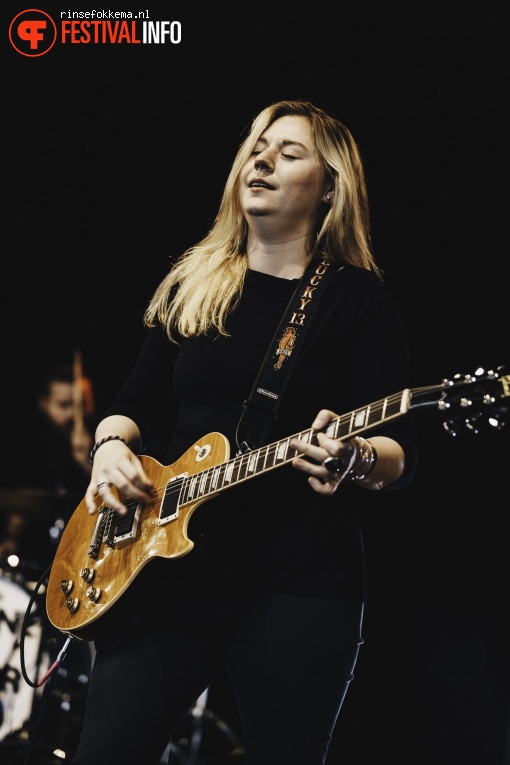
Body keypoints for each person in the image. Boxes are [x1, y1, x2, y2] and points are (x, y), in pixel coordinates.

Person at [70, 99, 419, 765]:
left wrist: (357, 456)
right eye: (257, 145)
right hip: (168, 566)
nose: (261, 158)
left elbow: (401, 452)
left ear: (329, 188)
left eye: (289, 153)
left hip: (299, 577)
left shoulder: (358, 300)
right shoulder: (197, 281)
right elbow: (130, 404)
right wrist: (110, 450)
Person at [0, 362, 96, 569]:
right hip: (39, 550)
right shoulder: (29, 447)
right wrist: (11, 537)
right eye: (63, 405)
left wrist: (86, 461)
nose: (72, 414)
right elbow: (22, 500)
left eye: (78, 406)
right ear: (44, 404)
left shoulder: (98, 439)